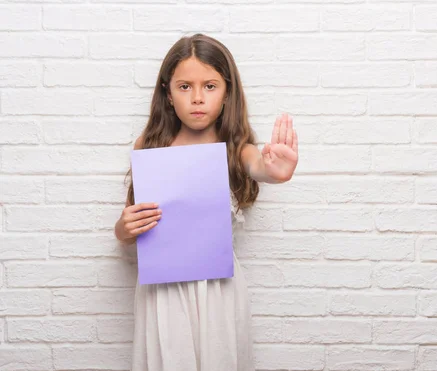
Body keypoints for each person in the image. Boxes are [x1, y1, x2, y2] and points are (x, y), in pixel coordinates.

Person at [113, 33, 299, 371]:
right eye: (185, 87)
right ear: (168, 94)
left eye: (210, 86)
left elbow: (258, 166)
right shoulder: (150, 145)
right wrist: (123, 229)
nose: (198, 98)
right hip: (163, 292)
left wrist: (276, 171)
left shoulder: (234, 146)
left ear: (227, 92)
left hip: (217, 288)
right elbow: (131, 225)